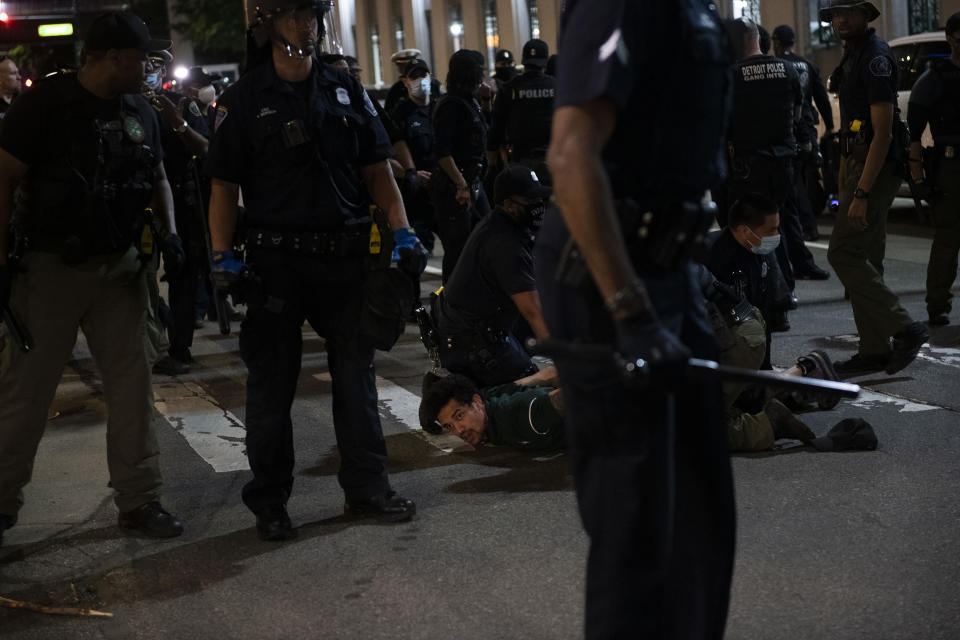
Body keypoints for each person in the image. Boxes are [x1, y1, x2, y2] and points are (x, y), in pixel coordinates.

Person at [535, 1, 736, 637]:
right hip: (606, 278)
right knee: (639, 532)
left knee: (702, 519)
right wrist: (630, 310)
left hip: (671, 269)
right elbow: (570, 156)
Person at [207, 0, 422, 541]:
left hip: (344, 259)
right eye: (293, 12)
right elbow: (224, 187)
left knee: (357, 380)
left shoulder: (345, 90)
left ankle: (368, 488)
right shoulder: (243, 99)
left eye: (312, 11)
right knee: (271, 388)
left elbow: (378, 171)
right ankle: (271, 503)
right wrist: (220, 255)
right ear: (267, 22)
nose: (306, 22)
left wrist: (402, 230)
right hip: (277, 264)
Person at [0, 11, 185, 545]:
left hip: (121, 267)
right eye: (138, 58)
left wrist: (169, 234)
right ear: (107, 58)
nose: (147, 67)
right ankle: (1, 503)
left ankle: (140, 500)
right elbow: (4, 178)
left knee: (134, 389)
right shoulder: (45, 105)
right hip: (48, 267)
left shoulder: (141, 111)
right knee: (24, 394)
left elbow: (158, 178)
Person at [821, 0, 928, 375]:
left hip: (876, 168)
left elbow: (882, 134)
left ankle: (904, 327)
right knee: (869, 258)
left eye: (849, 11)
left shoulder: (876, 56)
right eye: (835, 13)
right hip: (858, 161)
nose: (841, 19)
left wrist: (861, 193)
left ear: (866, 15)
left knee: (843, 253)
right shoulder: (854, 54)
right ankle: (874, 350)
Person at [726, 18, 827, 322]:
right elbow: (798, 115)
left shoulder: (732, 75)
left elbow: (724, 124)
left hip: (748, 167)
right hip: (783, 165)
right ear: (758, 37)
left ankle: (764, 301)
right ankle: (784, 296)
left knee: (749, 234)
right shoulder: (788, 70)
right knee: (776, 229)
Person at [431, 165, 550, 386]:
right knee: (534, 389)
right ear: (509, 205)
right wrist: (567, 363)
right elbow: (534, 312)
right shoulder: (505, 244)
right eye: (531, 202)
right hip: (470, 343)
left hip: (472, 328)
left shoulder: (502, 225)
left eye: (539, 199)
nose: (539, 207)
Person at [152, 62, 216, 374]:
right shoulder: (123, 106)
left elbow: (205, 148)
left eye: (153, 66)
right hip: (134, 204)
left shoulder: (179, 105)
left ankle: (179, 348)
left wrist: (177, 123)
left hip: (180, 201)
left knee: (183, 275)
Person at [907, 12, 960, 327]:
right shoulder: (934, 79)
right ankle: (938, 305)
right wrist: (917, 175)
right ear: (949, 39)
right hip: (950, 165)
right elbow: (915, 133)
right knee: (947, 240)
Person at [707, 195, 787, 371]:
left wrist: (765, 368)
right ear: (744, 231)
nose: (776, 236)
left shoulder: (759, 252)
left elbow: (763, 310)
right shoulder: (710, 256)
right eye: (770, 231)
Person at [772, 24, 836, 241]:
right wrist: (830, 126)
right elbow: (821, 98)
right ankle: (809, 221)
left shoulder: (778, 65)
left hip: (790, 129)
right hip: (809, 128)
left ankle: (807, 226)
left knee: (795, 182)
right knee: (810, 176)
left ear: (777, 42)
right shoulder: (807, 65)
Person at [430, 49, 489, 281]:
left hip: (473, 182)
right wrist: (461, 185)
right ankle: (450, 305)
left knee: (485, 236)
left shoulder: (470, 101)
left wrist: (487, 102)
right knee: (457, 249)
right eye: (479, 71)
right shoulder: (451, 105)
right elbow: (442, 152)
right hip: (455, 187)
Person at [418, 368, 564, 451]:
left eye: (459, 416)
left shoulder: (519, 416)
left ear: (476, 402)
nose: (459, 430)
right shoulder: (486, 398)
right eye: (449, 426)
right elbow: (547, 374)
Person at [487, 39, 555, 181]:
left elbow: (497, 128)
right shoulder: (557, 86)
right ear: (545, 61)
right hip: (552, 159)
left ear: (523, 61)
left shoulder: (508, 88)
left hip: (521, 160)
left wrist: (492, 164)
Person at [389, 58, 437, 252]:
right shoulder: (399, 115)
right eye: (414, 76)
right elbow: (389, 156)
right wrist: (412, 175)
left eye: (423, 75)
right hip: (415, 195)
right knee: (417, 252)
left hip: (439, 191)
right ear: (405, 82)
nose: (420, 80)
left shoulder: (440, 108)